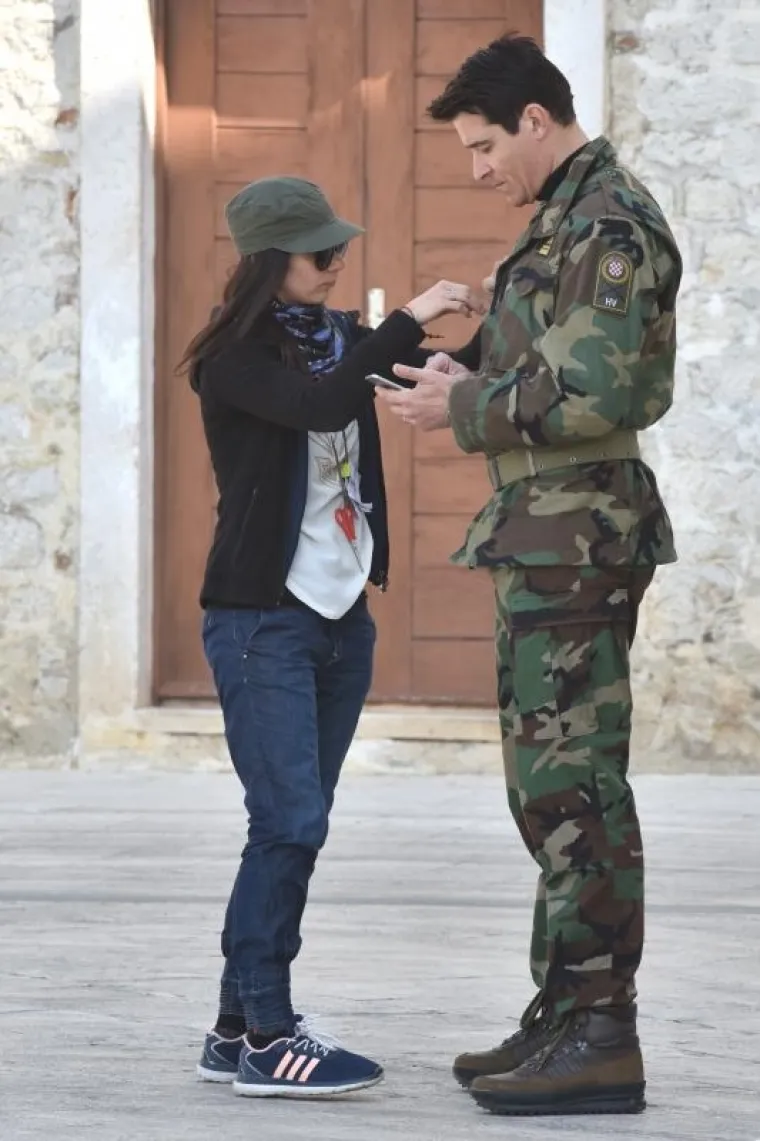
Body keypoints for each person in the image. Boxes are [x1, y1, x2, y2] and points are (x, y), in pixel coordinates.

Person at [377, 34, 682, 1117]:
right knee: (541, 786)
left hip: (578, 533)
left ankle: (603, 1032)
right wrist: (475, 377)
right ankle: (563, 1011)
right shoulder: (564, 218)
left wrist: (460, 408)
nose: (475, 169)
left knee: (574, 786)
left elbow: (596, 386)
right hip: (545, 529)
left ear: (537, 123)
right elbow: (552, 371)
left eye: (482, 145)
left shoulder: (604, 222)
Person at [178, 176, 481, 1100]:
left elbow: (411, 367)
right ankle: (271, 1033)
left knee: (292, 829)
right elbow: (317, 405)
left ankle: (234, 1029)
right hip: (259, 620)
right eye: (320, 252)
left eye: (340, 247)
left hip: (342, 620)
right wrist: (408, 319)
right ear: (273, 260)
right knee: (289, 821)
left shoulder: (342, 337)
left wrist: (502, 305)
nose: (338, 262)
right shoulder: (231, 358)